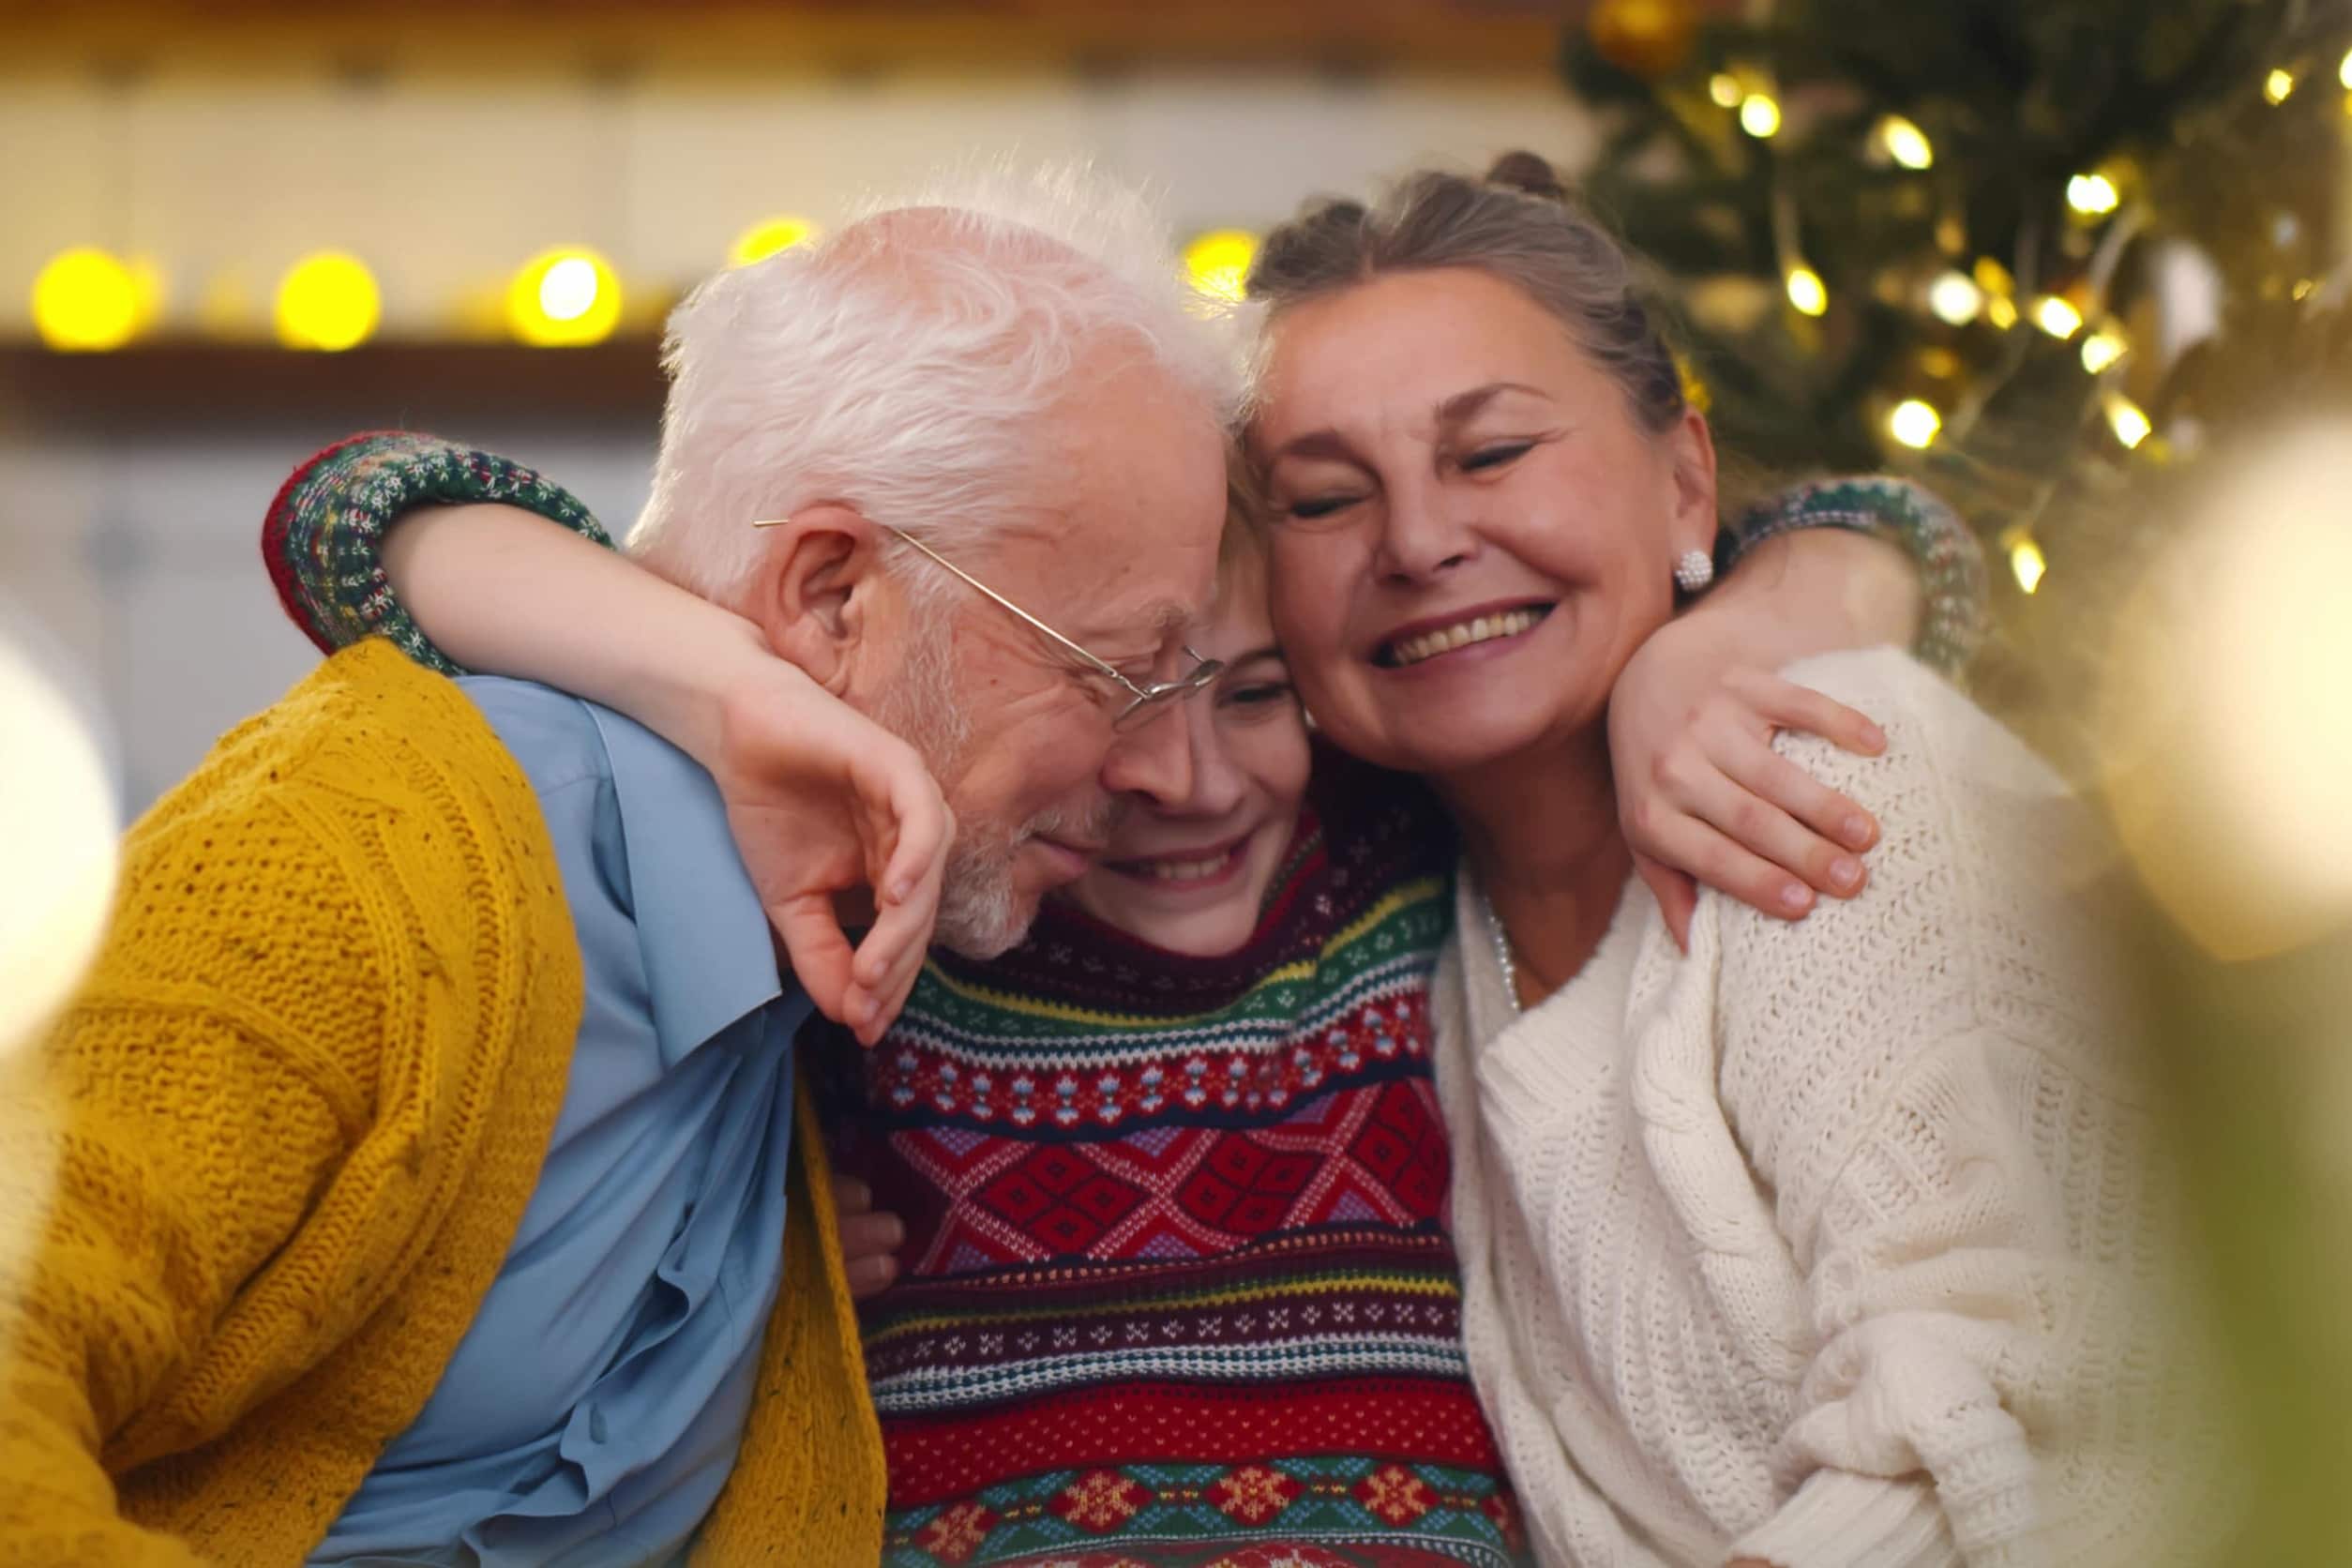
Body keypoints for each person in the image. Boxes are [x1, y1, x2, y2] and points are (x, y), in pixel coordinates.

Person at [249, 301, 1978, 1568]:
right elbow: (364, 509)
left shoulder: (1373, 855)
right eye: (1109, 684)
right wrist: (732, 688)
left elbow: (1900, 535)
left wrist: (1710, 639)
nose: (1175, 774)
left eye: (1250, 692)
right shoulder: (920, 875)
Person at [0, 164, 1250, 1566]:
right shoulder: (361, 868)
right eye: (1120, 673)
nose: (1176, 775)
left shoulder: (853, 956)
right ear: (835, 595)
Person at [1243, 154, 2222, 1564]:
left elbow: (2020, 1430)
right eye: (1325, 499)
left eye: (1493, 453)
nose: (1418, 539)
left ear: (1688, 483)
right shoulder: (1397, 929)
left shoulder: (1834, 766)